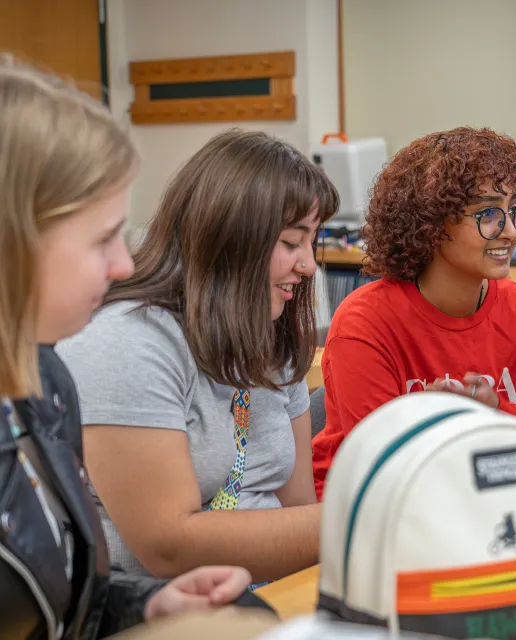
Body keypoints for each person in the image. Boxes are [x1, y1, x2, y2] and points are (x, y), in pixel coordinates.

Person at [0, 54, 252, 639]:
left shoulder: (43, 378)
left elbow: (62, 602)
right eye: (102, 238)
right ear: (6, 243)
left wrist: (147, 605)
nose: (125, 265)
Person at [57, 130, 339, 584]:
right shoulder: (128, 342)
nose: (308, 266)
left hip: (270, 593)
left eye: (312, 242)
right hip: (163, 608)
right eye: (291, 242)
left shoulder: (273, 334)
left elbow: (297, 509)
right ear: (230, 240)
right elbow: (170, 547)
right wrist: (361, 519)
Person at [312, 126, 516, 499]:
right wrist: (428, 421)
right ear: (431, 223)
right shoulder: (365, 322)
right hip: (368, 518)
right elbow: (383, 477)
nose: (511, 231)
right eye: (488, 212)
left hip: (482, 503)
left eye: (515, 211)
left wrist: (494, 411)